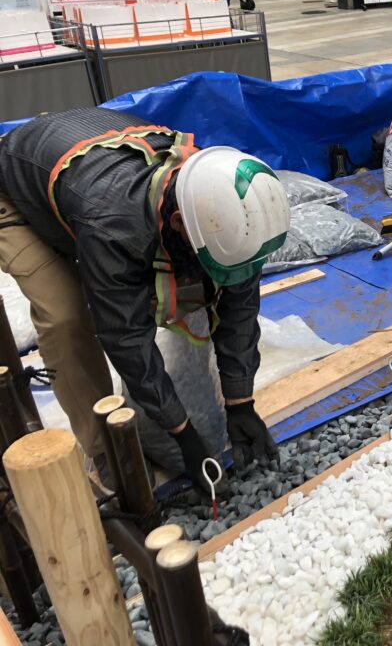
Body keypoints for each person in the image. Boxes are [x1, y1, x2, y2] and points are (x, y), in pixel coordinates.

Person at [0, 108, 290, 492]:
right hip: (19, 189)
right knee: (67, 318)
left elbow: (238, 304)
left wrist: (240, 402)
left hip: (89, 166)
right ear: (175, 224)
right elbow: (125, 335)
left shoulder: (224, 206)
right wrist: (181, 433)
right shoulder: (113, 226)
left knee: (195, 280)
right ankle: (107, 449)